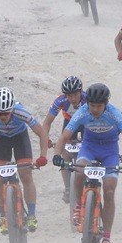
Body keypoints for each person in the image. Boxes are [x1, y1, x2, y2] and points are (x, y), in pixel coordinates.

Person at [53, 83, 122, 243]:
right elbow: (64, 137)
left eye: (99, 106)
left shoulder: (114, 113)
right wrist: (56, 155)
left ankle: (106, 238)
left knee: (109, 189)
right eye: (92, 105)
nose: (95, 109)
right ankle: (78, 206)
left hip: (109, 152)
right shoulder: (83, 111)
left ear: (106, 103)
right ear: (88, 103)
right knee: (79, 171)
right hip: (89, 148)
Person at [0, 87, 50, 234]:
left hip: (20, 137)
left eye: (6, 113)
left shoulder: (20, 112)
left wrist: (43, 156)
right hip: (1, 140)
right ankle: (3, 217)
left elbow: (41, 133)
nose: (3, 116)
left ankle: (31, 214)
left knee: (25, 174)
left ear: (12, 110)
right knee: (0, 178)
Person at [40, 75, 84, 205]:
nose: (72, 99)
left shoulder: (88, 99)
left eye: (75, 95)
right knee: (64, 153)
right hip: (70, 123)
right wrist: (46, 138)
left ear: (81, 92)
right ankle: (68, 188)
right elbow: (47, 122)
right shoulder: (60, 101)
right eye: (69, 96)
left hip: (86, 122)